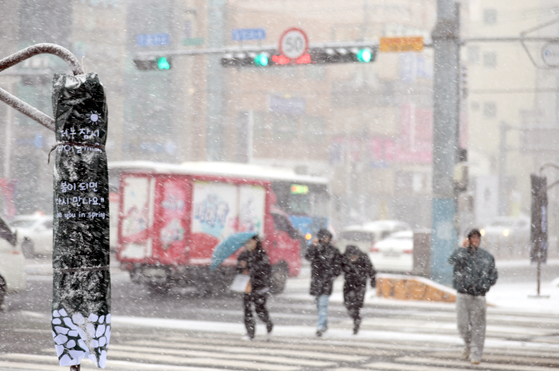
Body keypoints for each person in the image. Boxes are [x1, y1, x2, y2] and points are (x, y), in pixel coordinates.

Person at [448, 229, 498, 365]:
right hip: (463, 295)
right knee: (462, 325)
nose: (475, 240)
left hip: (479, 296)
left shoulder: (486, 256)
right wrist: (462, 248)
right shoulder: (462, 254)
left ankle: (476, 354)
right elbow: (451, 259)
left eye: (477, 238)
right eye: (472, 237)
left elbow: (493, 274)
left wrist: (485, 284)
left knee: (479, 327)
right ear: (468, 239)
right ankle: (468, 344)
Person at [304, 228, 342, 337]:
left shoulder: (333, 250)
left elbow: (338, 266)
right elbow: (308, 257)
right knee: (318, 303)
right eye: (323, 237)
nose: (325, 239)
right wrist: (313, 246)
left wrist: (332, 275)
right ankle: (324, 324)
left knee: (323, 304)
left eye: (327, 237)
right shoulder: (315, 248)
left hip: (327, 281)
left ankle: (320, 326)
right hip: (316, 280)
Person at [237, 235, 274, 341]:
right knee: (247, 310)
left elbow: (265, 269)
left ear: (256, 242)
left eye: (251, 241)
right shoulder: (243, 255)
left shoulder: (261, 254)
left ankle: (269, 325)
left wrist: (250, 268)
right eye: (247, 242)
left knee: (260, 309)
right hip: (247, 286)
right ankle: (250, 333)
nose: (249, 244)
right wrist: (242, 267)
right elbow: (238, 269)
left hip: (260, 287)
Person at [341, 245, 376, 335]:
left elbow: (371, 269)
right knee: (348, 303)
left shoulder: (364, 258)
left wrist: (373, 280)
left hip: (360, 284)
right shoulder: (344, 259)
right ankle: (356, 318)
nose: (353, 258)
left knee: (357, 303)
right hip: (348, 284)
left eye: (355, 256)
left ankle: (356, 320)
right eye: (351, 257)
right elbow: (337, 268)